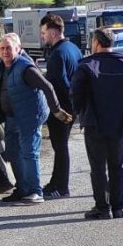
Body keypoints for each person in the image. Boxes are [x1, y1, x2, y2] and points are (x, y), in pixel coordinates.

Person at [0, 33, 73, 204]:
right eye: (2, 48)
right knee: (13, 152)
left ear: (18, 49)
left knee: (29, 153)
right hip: (12, 117)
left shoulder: (26, 68)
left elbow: (47, 87)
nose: (5, 52)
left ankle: (36, 192)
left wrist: (57, 111)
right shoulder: (0, 65)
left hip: (30, 117)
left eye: (9, 48)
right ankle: (22, 189)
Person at [71, 28, 123, 219]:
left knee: (98, 167)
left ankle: (102, 208)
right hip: (120, 123)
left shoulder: (87, 66)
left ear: (95, 43)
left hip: (95, 123)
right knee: (116, 166)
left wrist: (78, 112)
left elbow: (76, 93)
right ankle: (118, 207)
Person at [40, 14, 83, 199]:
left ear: (53, 32)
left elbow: (58, 82)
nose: (42, 36)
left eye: (44, 33)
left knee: (60, 147)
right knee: (60, 146)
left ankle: (62, 187)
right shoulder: (73, 48)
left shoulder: (57, 54)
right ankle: (54, 183)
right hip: (73, 105)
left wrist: (59, 109)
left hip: (61, 108)